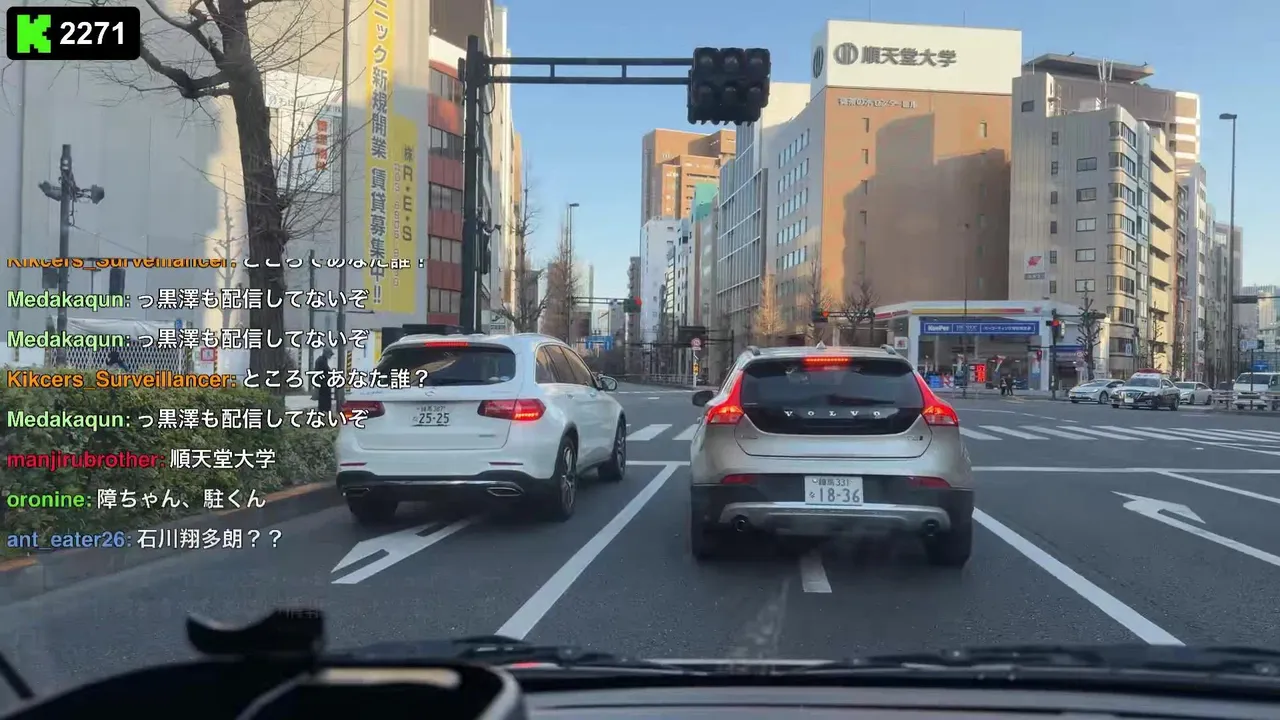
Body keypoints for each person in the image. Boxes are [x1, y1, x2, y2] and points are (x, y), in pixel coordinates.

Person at [315, 349, 334, 413]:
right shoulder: (322, 360)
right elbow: (326, 370)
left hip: (322, 382)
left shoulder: (322, 360)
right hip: (323, 382)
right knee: (325, 397)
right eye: (330, 355)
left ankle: (323, 410)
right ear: (326, 354)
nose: (330, 356)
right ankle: (325, 410)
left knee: (323, 397)